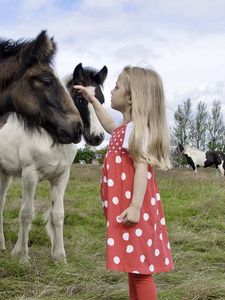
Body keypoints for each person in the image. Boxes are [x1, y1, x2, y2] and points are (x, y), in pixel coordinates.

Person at [74, 66, 174, 300]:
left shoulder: (137, 131)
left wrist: (136, 206)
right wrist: (92, 101)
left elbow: (141, 167)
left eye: (117, 86)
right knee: (134, 267)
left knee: (140, 271)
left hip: (135, 210)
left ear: (131, 98)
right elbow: (110, 125)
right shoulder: (125, 129)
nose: (111, 90)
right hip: (129, 208)